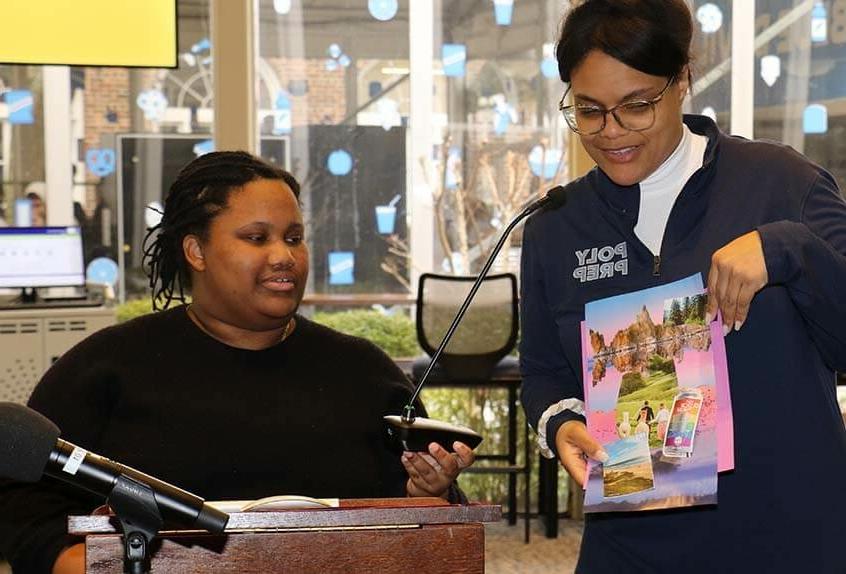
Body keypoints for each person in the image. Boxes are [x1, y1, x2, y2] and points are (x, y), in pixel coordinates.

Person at [0, 151, 475, 574]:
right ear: (196, 251)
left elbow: (418, 522)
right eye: (256, 237)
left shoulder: (365, 374)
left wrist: (427, 494)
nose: (283, 256)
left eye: (294, 237)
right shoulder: (103, 371)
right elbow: (25, 507)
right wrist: (86, 563)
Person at [519, 1, 846, 572]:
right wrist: (562, 421)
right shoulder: (556, 225)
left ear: (682, 83)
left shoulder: (782, 183)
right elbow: (545, 371)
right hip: (632, 543)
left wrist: (789, 249)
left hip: (787, 535)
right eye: (589, 111)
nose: (611, 132)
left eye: (636, 107)